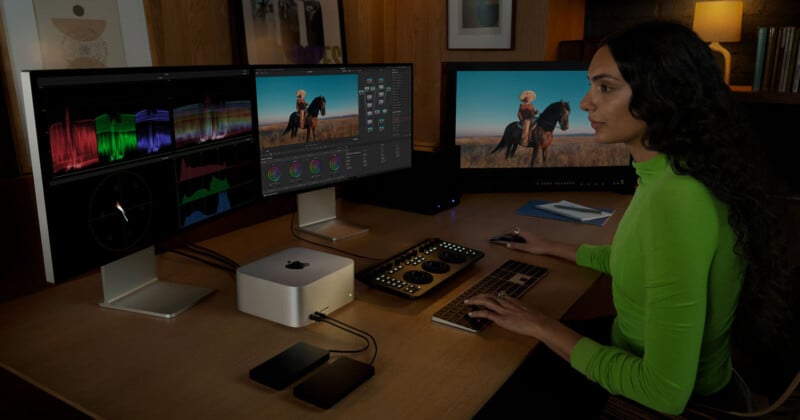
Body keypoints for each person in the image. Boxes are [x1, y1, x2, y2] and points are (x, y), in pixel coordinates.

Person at [467, 20, 788, 417]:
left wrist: (539, 324)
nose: (585, 103)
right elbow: (637, 263)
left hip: (668, 402)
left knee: (485, 380)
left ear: (662, 93)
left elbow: (663, 391)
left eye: (605, 87)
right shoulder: (669, 172)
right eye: (590, 85)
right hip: (634, 350)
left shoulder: (676, 201)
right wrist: (551, 246)